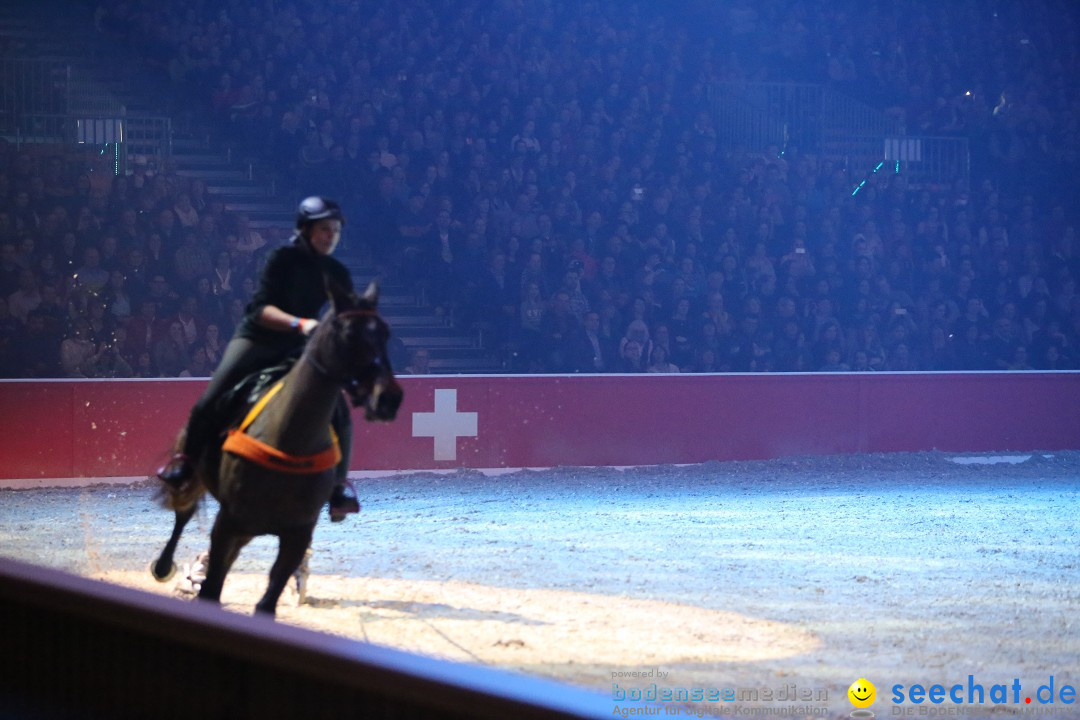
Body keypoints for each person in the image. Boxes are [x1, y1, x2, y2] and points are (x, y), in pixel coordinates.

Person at [157, 197, 360, 521]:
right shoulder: (281, 259)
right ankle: (185, 464)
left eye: (335, 231)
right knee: (210, 399)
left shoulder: (336, 272)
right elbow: (264, 309)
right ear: (306, 230)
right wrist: (301, 323)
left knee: (340, 410)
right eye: (324, 229)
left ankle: (339, 488)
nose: (330, 236)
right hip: (257, 339)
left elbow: (345, 315)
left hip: (299, 349)